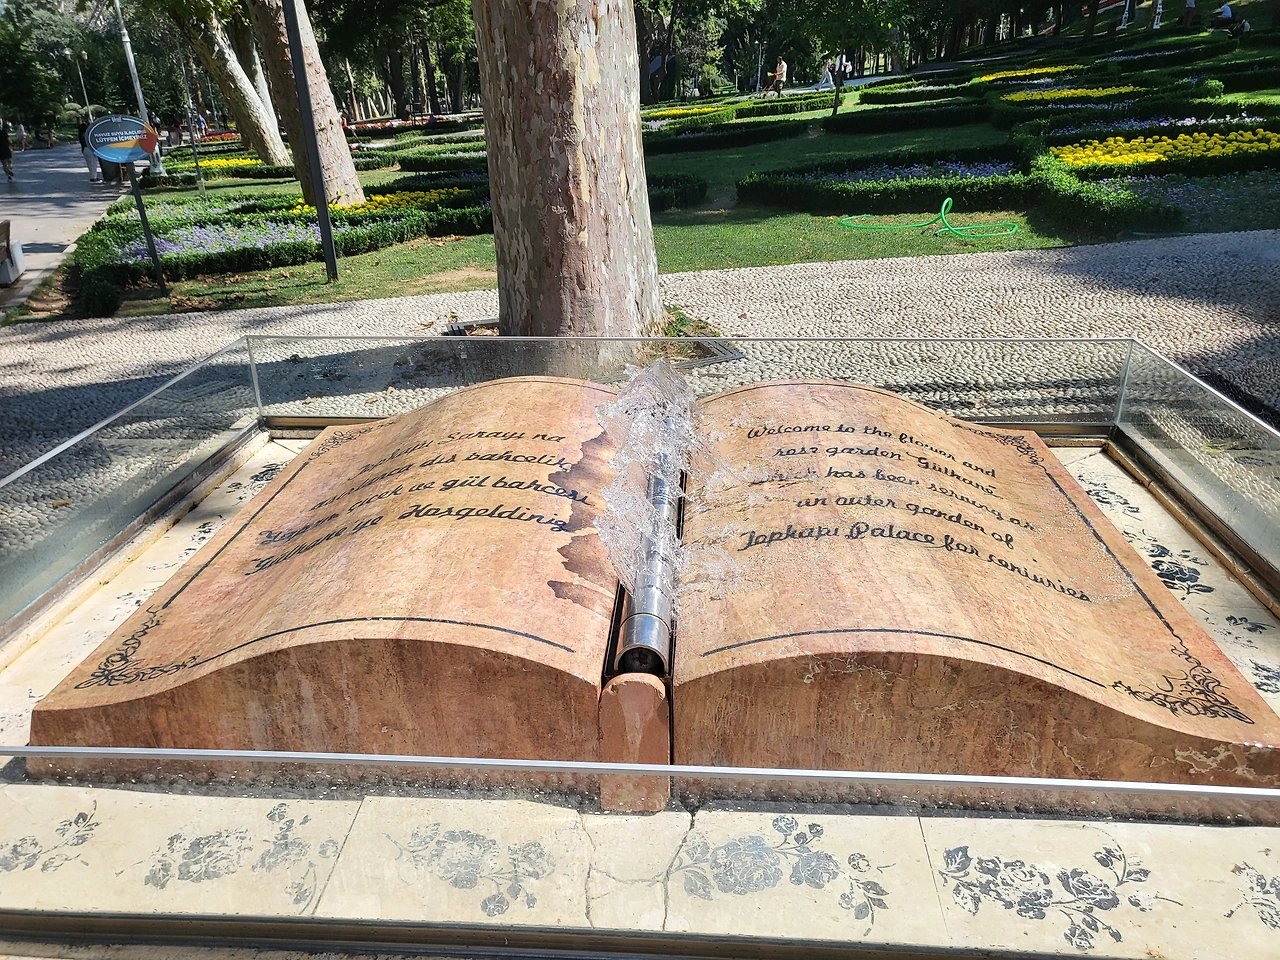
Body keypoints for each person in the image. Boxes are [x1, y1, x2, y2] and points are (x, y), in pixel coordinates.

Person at [77, 119, 101, 183]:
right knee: (93, 163)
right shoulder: (85, 135)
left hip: (84, 149)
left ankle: (93, 176)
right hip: (89, 149)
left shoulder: (80, 134)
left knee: (90, 164)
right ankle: (94, 177)